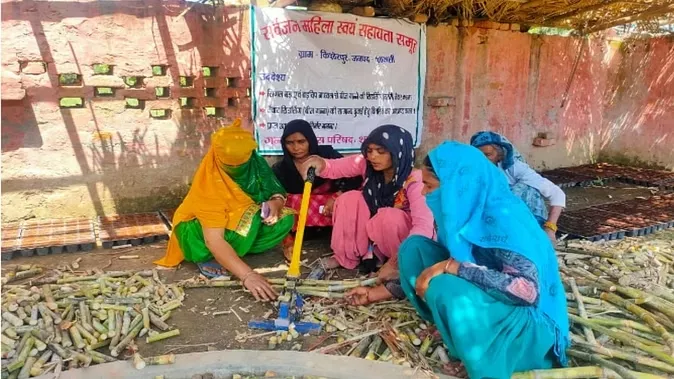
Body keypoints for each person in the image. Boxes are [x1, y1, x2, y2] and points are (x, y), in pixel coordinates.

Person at [391, 141, 568, 378]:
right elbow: (457, 256)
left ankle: (481, 355)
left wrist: (453, 268)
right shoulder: (464, 211)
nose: (424, 193)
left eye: (430, 186)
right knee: (414, 249)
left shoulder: (505, 219)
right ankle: (450, 328)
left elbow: (525, 292)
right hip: (492, 298)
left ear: (457, 187)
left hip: (529, 326)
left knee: (446, 286)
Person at [155, 119, 293, 302]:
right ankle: (211, 257)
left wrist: (276, 203)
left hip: (242, 222)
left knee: (286, 219)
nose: (237, 169)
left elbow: (274, 189)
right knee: (248, 216)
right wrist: (248, 275)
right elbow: (214, 239)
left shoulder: (254, 160)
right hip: (202, 234)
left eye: (240, 164)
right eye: (230, 165)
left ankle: (231, 256)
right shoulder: (209, 184)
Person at [299, 125, 434, 277]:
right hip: (374, 233)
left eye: (381, 151)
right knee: (349, 199)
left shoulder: (415, 181)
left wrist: (394, 263)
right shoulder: (367, 165)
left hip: (406, 244)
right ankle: (346, 257)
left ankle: (398, 266)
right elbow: (335, 167)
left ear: (398, 153)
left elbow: (423, 228)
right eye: (369, 151)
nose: (373, 156)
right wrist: (320, 163)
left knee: (389, 217)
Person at [272, 120, 362, 261]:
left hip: (330, 214)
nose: (296, 147)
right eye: (290, 143)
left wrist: (338, 195)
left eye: (302, 141)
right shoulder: (281, 169)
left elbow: (354, 178)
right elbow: (275, 196)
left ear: (311, 140)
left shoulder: (327, 156)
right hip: (302, 226)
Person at [470, 131, 566, 243]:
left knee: (526, 188)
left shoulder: (514, 168)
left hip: (519, 221)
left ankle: (530, 233)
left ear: (499, 155)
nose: (483, 161)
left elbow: (557, 194)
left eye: (488, 155)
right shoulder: (471, 172)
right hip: (490, 225)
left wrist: (550, 229)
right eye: (478, 155)